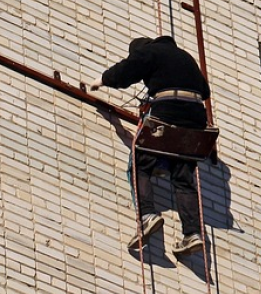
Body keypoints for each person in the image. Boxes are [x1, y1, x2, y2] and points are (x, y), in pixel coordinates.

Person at [90, 36, 211, 257]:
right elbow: (205, 91)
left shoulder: (150, 52)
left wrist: (103, 80)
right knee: (183, 177)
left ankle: (147, 215)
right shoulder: (186, 58)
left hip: (169, 110)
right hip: (195, 120)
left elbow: (128, 69)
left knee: (140, 163)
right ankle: (193, 233)